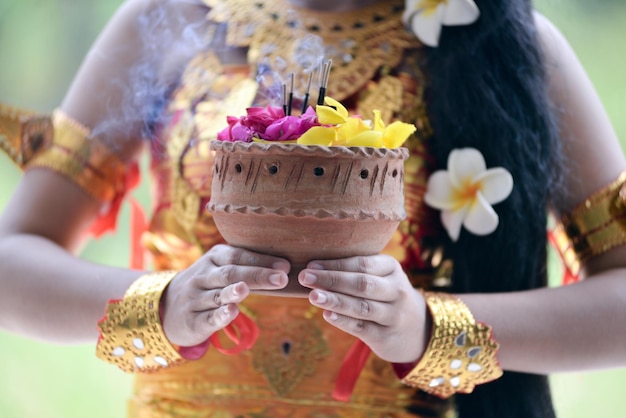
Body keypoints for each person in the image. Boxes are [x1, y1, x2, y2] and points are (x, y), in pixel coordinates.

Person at [1, 0, 625, 417]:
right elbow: (13, 261)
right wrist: (161, 306)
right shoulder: (168, 18)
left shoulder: (502, 44)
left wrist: (427, 328)